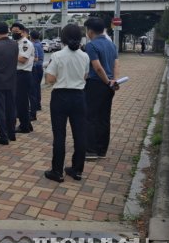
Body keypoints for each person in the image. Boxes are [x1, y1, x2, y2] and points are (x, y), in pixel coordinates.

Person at [44, 24, 90, 182]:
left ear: (63, 38)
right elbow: (85, 76)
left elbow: (49, 79)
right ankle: (77, 170)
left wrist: (62, 79)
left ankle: (57, 171)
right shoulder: (85, 56)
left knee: (59, 134)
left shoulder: (57, 56)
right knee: (80, 134)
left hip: (60, 97)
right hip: (79, 96)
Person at [83, 17, 120, 160]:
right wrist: (113, 81)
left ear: (90, 31)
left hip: (96, 84)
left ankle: (91, 150)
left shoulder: (91, 46)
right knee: (104, 117)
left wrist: (106, 81)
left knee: (90, 117)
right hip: (109, 86)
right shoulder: (112, 45)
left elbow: (97, 67)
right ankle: (102, 149)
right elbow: (116, 64)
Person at [11, 23, 34, 133]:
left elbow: (22, 59)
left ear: (22, 31)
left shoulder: (26, 43)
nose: (14, 33)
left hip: (23, 74)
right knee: (20, 101)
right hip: (18, 74)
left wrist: (9, 55)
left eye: (17, 31)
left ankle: (24, 126)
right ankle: (27, 124)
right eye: (13, 32)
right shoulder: (17, 43)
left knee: (22, 102)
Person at [29, 30, 44, 120]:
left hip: (35, 67)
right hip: (40, 67)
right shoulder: (40, 44)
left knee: (33, 89)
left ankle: (34, 106)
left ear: (31, 37)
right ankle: (38, 104)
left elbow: (35, 58)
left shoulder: (34, 45)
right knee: (37, 87)